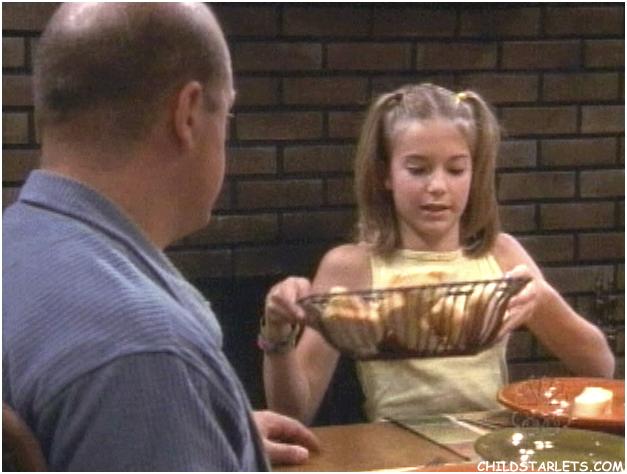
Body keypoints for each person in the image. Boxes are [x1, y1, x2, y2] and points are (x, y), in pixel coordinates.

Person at [2, 3, 318, 471]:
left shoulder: (15, 246)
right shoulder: (146, 353)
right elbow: (131, 370)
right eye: (226, 113)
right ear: (187, 114)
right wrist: (169, 405)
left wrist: (201, 429)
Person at [261, 83, 616, 424]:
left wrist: (542, 300)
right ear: (386, 174)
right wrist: (277, 331)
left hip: (486, 446)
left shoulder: (503, 255)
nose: (437, 186)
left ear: (475, 174)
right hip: (392, 449)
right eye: (417, 170)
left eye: (456, 170)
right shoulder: (351, 267)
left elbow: (600, 367)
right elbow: (293, 414)